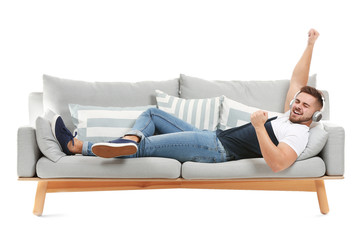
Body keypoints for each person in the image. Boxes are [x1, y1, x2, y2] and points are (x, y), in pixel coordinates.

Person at [52, 29, 322, 173]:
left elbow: (278, 164)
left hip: (215, 150)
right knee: (153, 114)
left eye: (305, 106)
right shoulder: (290, 114)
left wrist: (261, 127)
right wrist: (310, 44)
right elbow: (298, 80)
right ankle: (130, 139)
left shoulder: (297, 133)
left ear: (315, 115)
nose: (297, 105)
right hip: (211, 136)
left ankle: (78, 146)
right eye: (298, 101)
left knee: (146, 147)